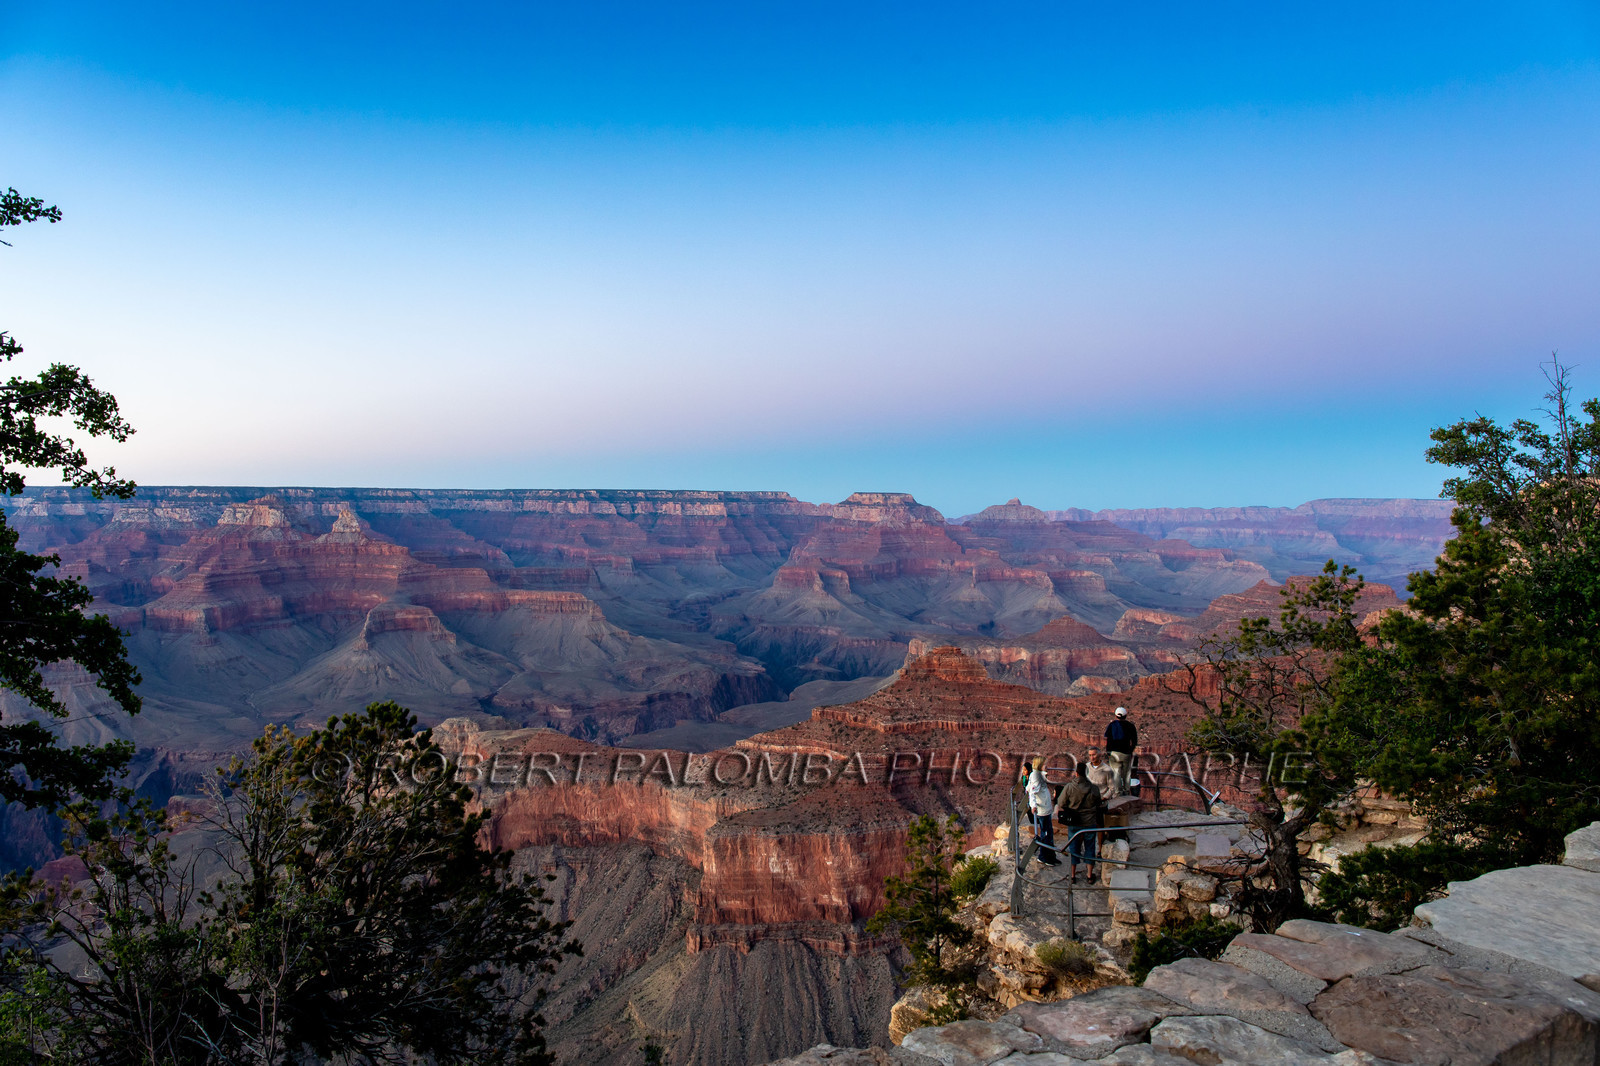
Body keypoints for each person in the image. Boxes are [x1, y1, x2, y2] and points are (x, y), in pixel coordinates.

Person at [1055, 761, 1104, 883]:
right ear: (1086, 773)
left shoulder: (1069, 787)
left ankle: (1072, 875)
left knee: (1074, 847)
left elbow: (1060, 803)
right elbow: (1099, 803)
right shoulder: (1093, 788)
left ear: (1076, 773)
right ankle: (1089, 875)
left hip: (1074, 822)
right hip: (1089, 822)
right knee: (1090, 847)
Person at [1025, 757, 1059, 867]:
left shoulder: (1036, 775)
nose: (1046, 765)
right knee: (1046, 835)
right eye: (1044, 764)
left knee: (1048, 834)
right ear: (1040, 765)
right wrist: (1033, 806)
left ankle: (1051, 856)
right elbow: (1032, 792)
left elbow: (1029, 787)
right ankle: (1044, 858)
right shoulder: (1036, 777)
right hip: (1042, 811)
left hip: (1045, 809)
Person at [1104, 706, 1138, 797]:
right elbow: (1134, 741)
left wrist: (1108, 752)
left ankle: (1118, 792)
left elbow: (1108, 739)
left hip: (1114, 753)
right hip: (1126, 753)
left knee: (1116, 773)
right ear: (1125, 716)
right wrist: (1130, 750)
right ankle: (1126, 791)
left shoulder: (1112, 725)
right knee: (1127, 773)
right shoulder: (1130, 726)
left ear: (1116, 715)